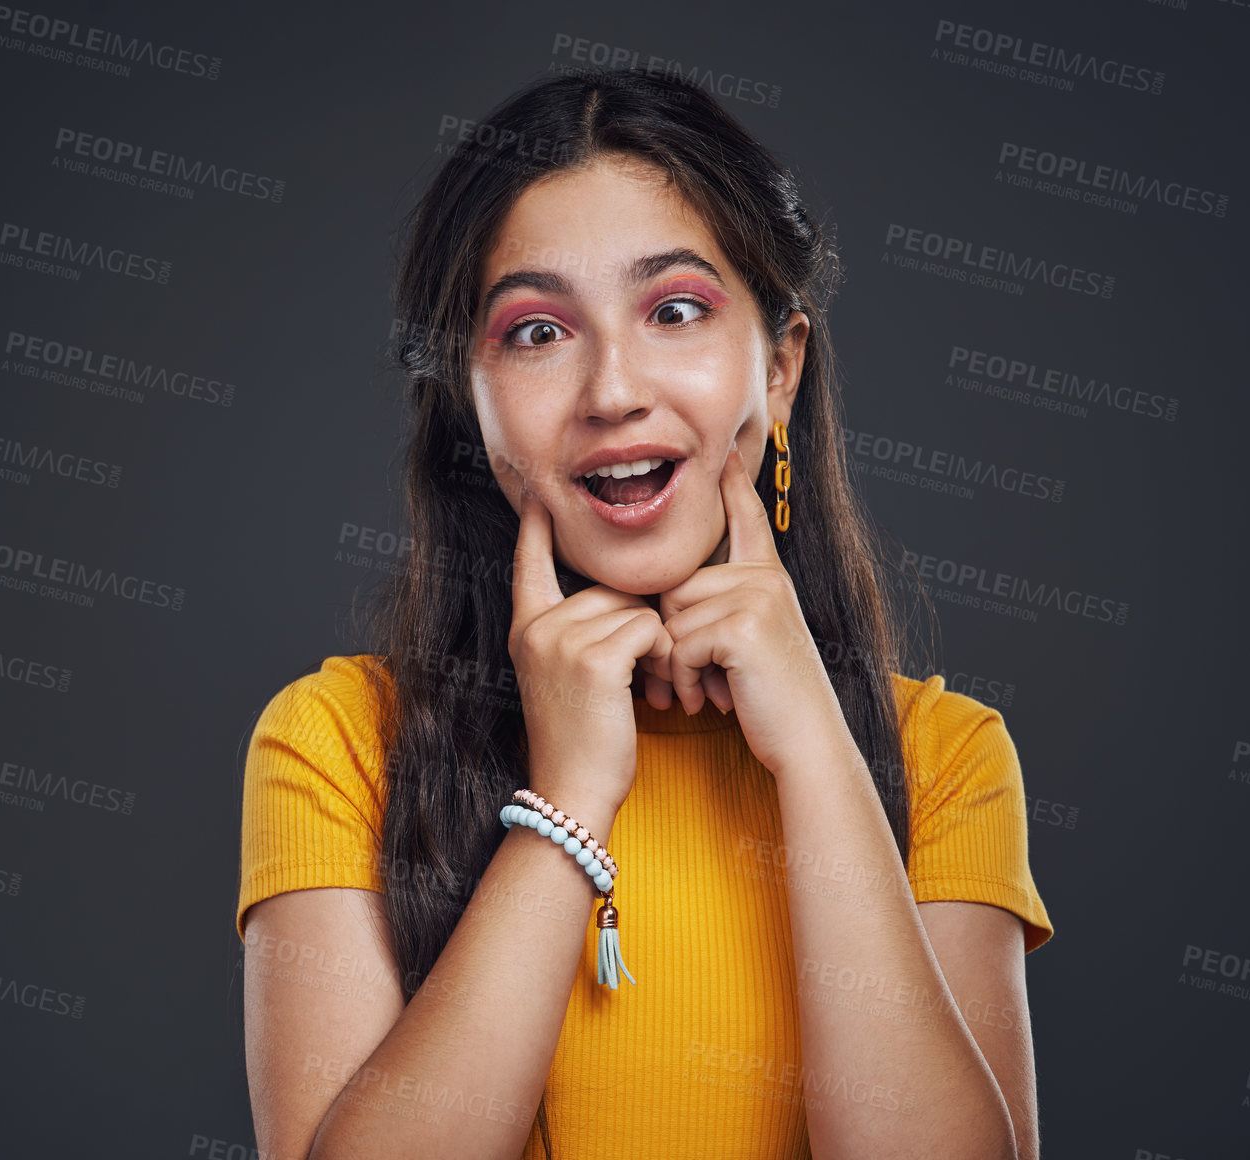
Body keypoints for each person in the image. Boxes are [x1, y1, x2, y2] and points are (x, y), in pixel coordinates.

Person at [237, 68, 1052, 1160]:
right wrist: (570, 799)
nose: (613, 388)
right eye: (536, 332)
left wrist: (814, 751)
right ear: (469, 403)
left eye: (675, 310)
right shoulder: (337, 742)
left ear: (781, 368)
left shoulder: (948, 759)